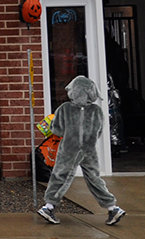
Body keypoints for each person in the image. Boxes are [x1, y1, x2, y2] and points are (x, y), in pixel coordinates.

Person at [37, 75, 126, 226]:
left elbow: (56, 130)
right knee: (94, 179)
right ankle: (113, 207)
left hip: (69, 148)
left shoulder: (64, 109)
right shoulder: (96, 111)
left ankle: (49, 206)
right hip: (89, 149)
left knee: (60, 175)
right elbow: (98, 131)